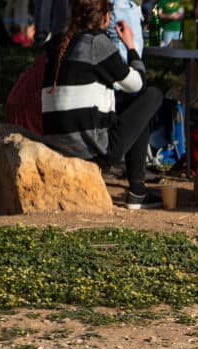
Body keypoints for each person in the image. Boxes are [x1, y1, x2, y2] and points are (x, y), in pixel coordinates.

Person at [42, 0, 164, 209]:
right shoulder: (95, 43)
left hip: (56, 141)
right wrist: (131, 46)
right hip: (93, 149)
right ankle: (137, 191)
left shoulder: (60, 43)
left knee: (132, 105)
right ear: (106, 18)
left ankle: (138, 191)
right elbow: (137, 83)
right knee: (152, 94)